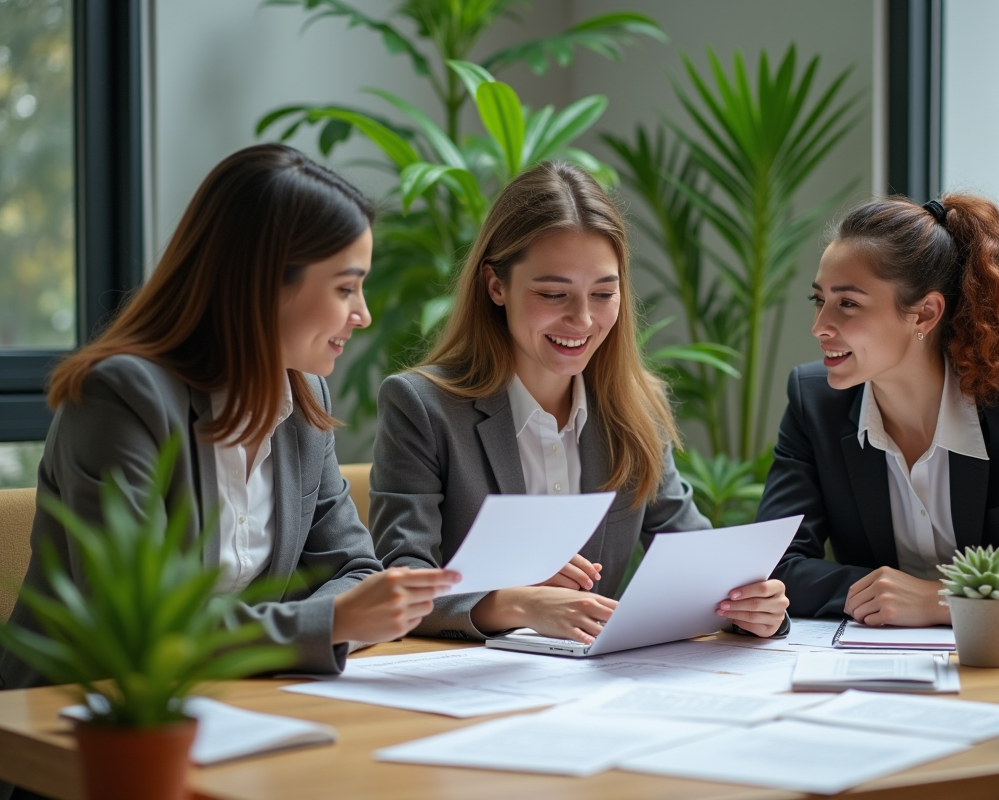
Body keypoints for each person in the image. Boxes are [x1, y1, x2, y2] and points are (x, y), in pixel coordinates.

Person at [0, 144, 459, 694]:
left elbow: (356, 570)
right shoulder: (122, 397)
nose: (362, 314)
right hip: (85, 727)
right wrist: (329, 622)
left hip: (239, 703)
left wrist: (317, 625)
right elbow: (132, 628)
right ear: (263, 285)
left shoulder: (304, 402)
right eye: (344, 287)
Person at [371, 161, 789, 644]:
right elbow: (397, 584)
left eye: (604, 293)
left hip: (592, 690)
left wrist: (753, 604)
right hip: (465, 687)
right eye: (554, 293)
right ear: (496, 285)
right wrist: (514, 602)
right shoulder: (422, 407)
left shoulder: (634, 410)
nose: (583, 320)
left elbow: (699, 562)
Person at [756, 194, 999, 628]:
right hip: (868, 674)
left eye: (847, 303)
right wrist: (877, 594)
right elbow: (775, 565)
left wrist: (944, 600)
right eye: (820, 301)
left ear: (924, 313)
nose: (820, 327)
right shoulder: (814, 404)